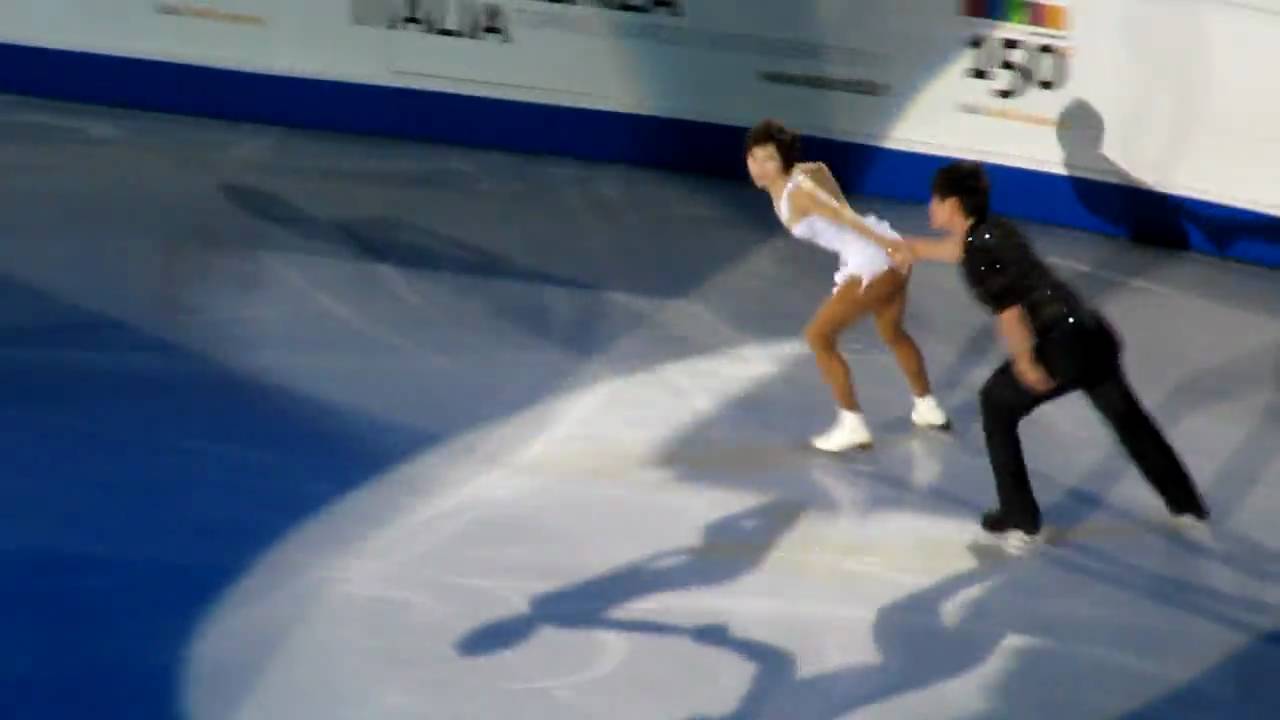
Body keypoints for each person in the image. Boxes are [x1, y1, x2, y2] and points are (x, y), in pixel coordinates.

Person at [886, 159, 1210, 545]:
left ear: (952, 204)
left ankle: (1018, 513)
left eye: (935, 200)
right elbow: (960, 248)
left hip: (1062, 344)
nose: (930, 207)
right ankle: (1185, 502)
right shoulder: (995, 229)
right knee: (1129, 420)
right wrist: (914, 249)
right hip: (1092, 333)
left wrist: (1025, 363)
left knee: (996, 403)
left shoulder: (979, 251)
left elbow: (1010, 311)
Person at [744, 119, 950, 451]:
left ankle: (851, 424)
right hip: (879, 251)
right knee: (892, 333)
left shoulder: (799, 194)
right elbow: (823, 172)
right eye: (754, 157)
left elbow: (845, 218)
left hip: (874, 259)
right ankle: (928, 407)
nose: (759, 166)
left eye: (768, 158)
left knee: (819, 337)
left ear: (782, 159)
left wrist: (890, 247)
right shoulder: (798, 181)